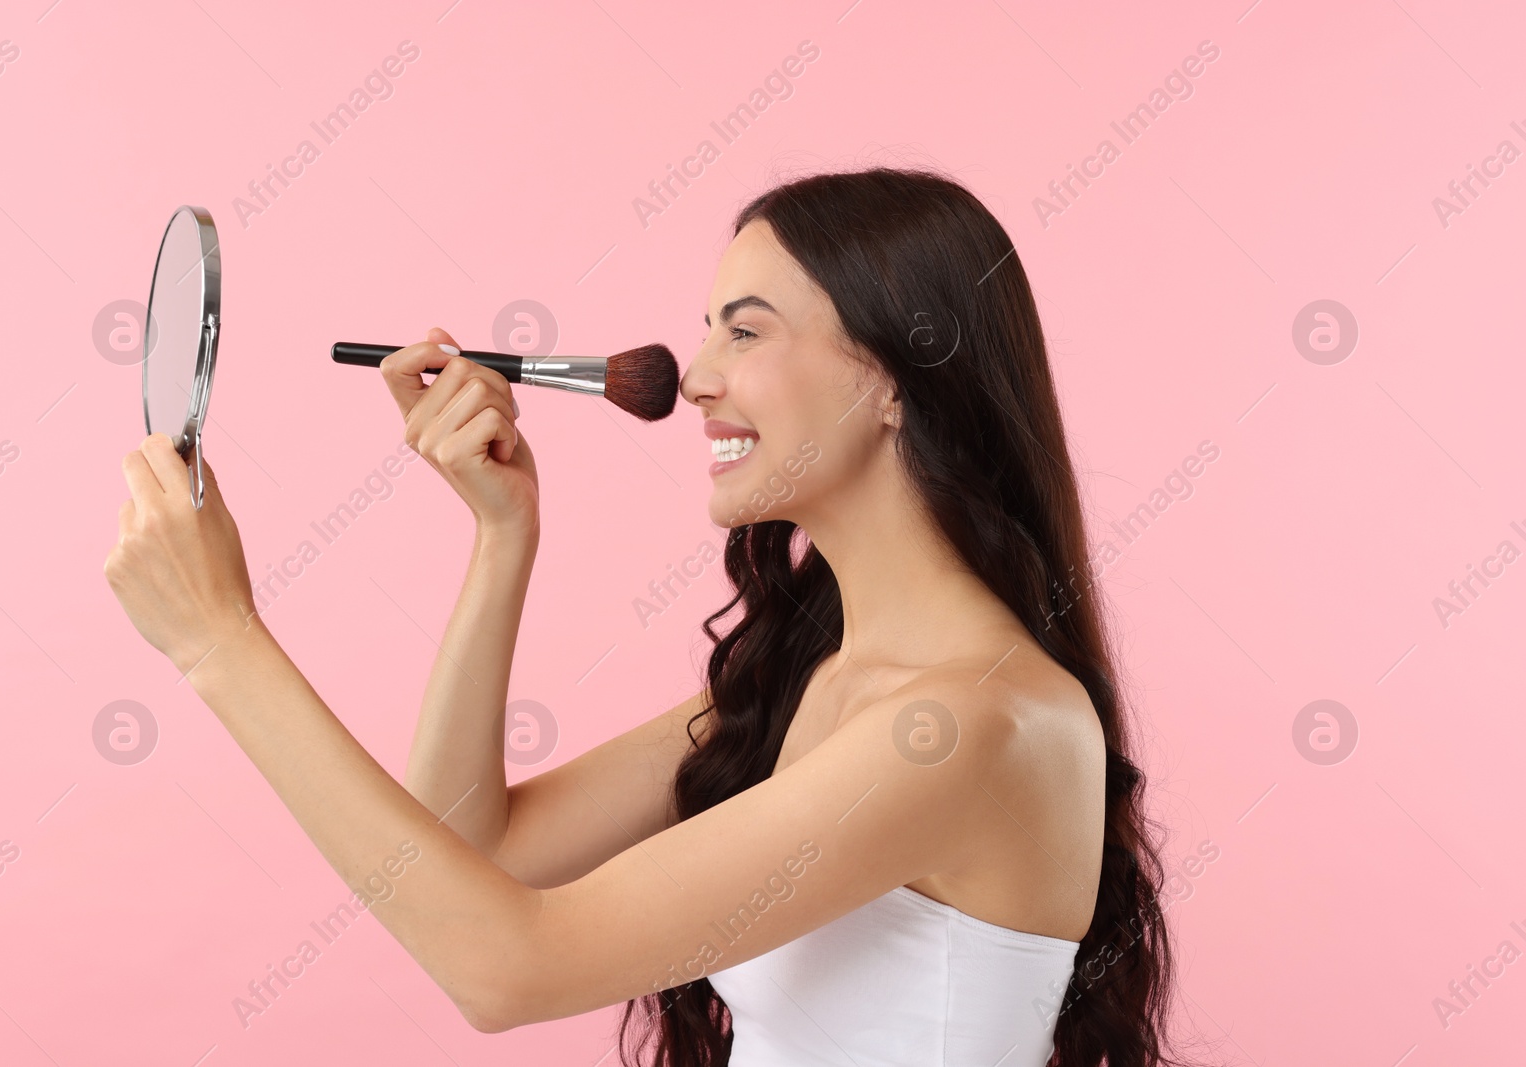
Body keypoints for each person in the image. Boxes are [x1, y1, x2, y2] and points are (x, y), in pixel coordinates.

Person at [106, 166, 1184, 1066]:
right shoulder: (815, 684)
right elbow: (461, 852)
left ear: (896, 378)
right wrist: (502, 538)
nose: (700, 379)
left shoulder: (973, 724)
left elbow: (503, 965)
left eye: (747, 333)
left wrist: (220, 643)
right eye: (706, 331)